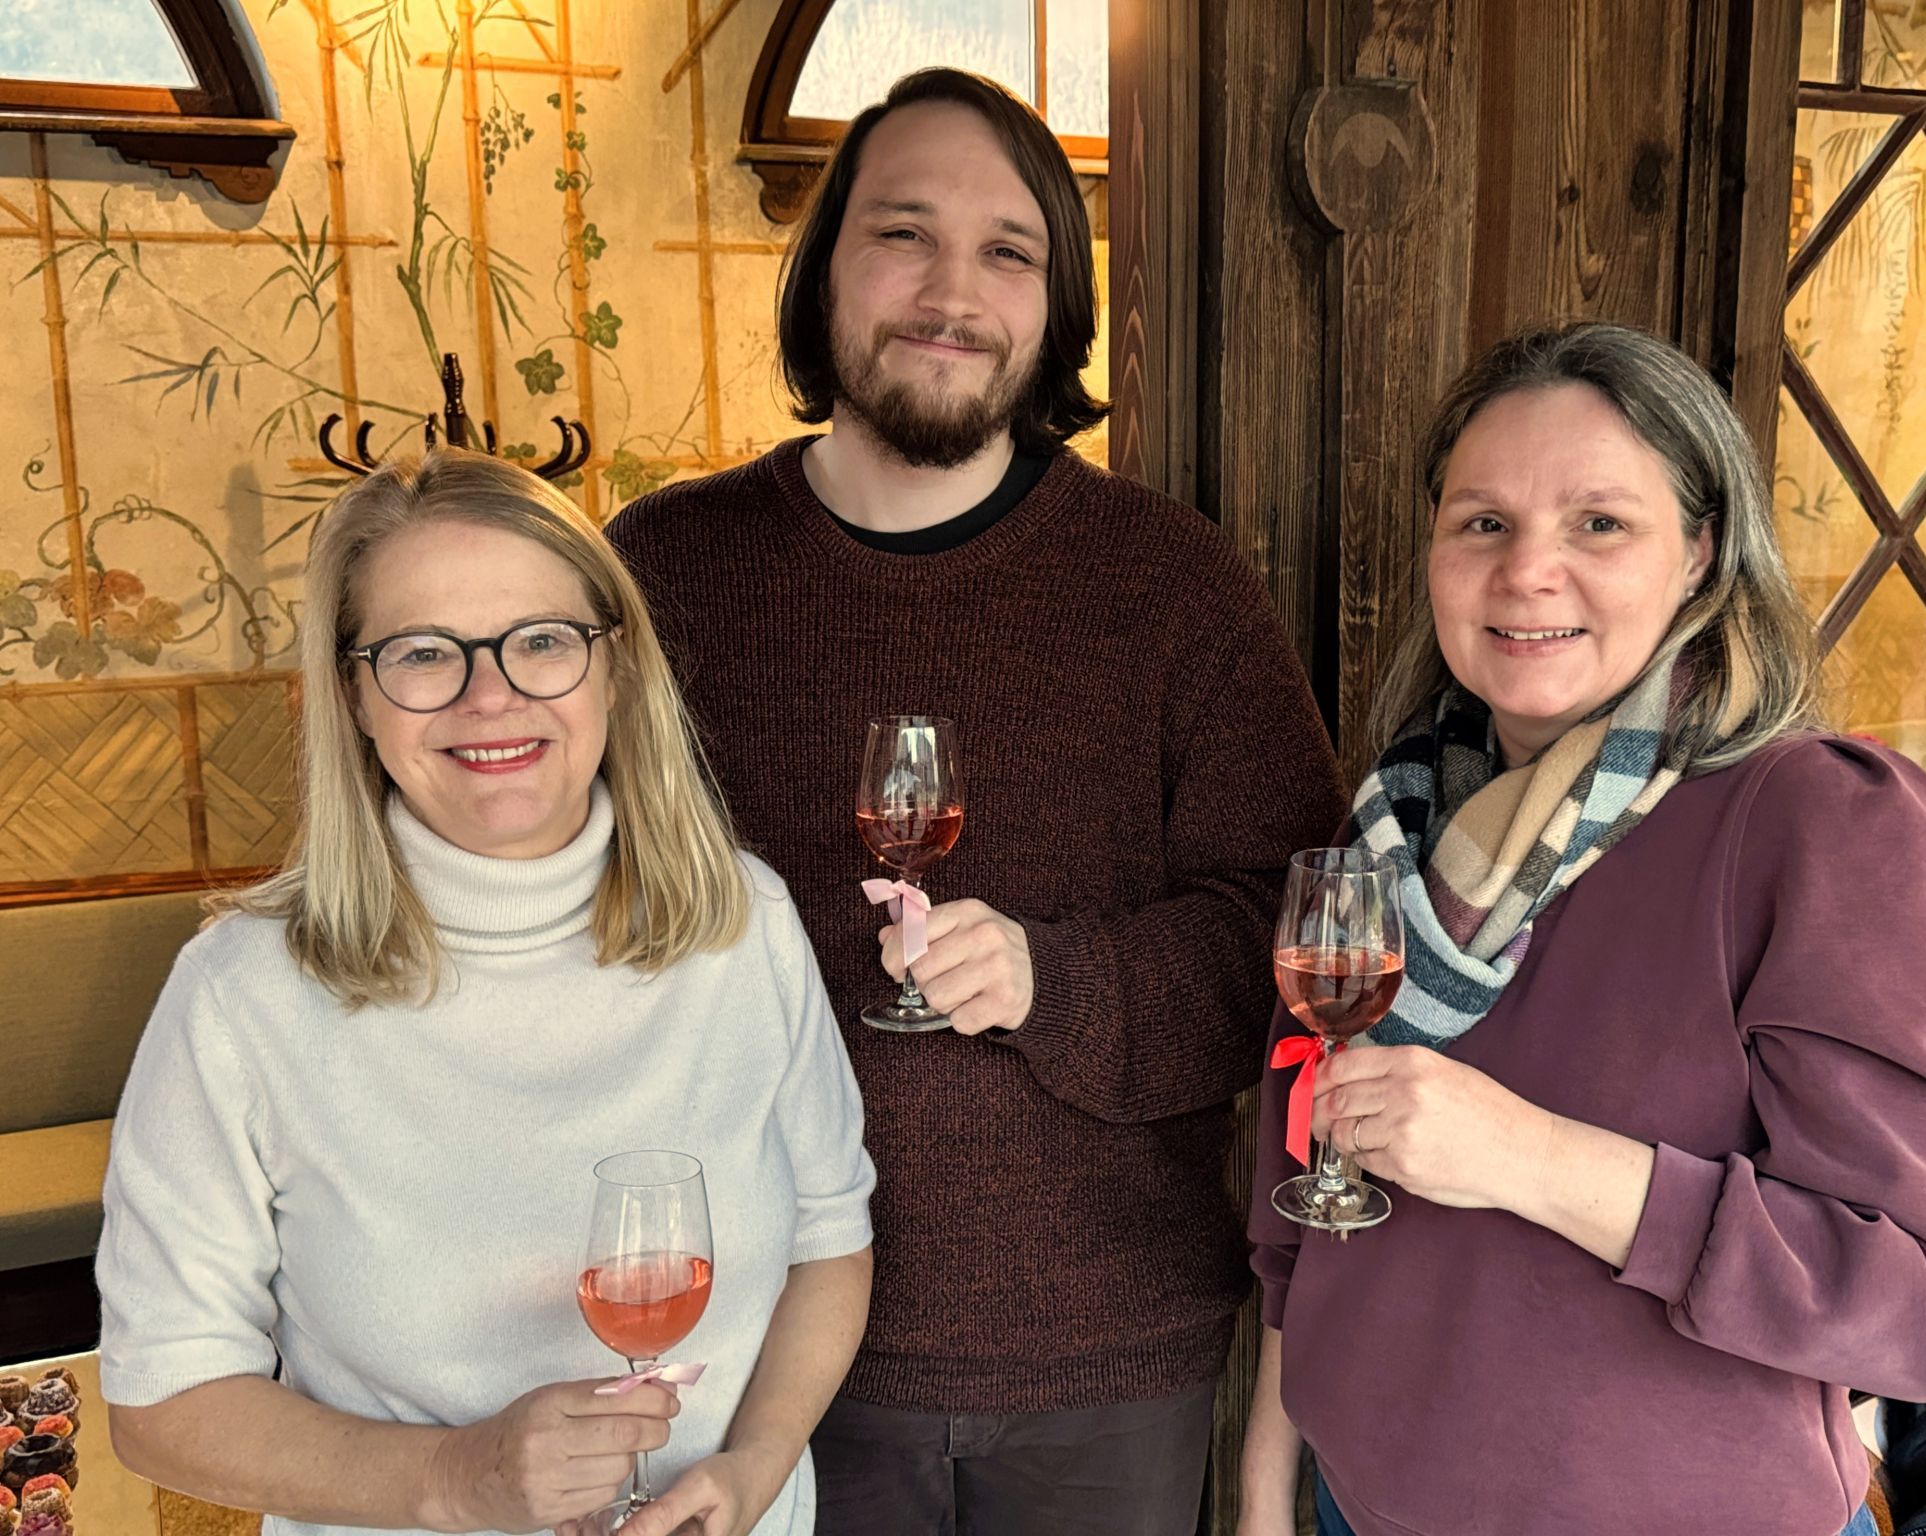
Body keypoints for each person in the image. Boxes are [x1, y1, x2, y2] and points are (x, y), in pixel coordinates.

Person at [607, 66, 1347, 1536]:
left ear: (1056, 306)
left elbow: (1297, 935)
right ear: (823, 274)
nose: (954, 291)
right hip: (763, 1351)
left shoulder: (1172, 584)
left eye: (1009, 251)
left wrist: (1054, 977)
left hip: (1105, 1350)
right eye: (903, 234)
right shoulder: (663, 571)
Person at [1236, 321, 1926, 1536]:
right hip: (1355, 1504)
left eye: (1597, 523)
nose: (1526, 571)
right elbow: (1303, 1224)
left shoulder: (1819, 824)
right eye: (1482, 522)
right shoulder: (1392, 833)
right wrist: (1261, 1498)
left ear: (1699, 555)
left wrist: (1529, 1158)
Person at [96, 450, 875, 1536]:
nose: (490, 694)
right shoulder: (243, 996)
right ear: (354, 693)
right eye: (423, 653)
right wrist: (456, 1479)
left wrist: (751, 1468)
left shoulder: (742, 922)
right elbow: (160, 1402)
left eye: (542, 640)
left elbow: (828, 1246)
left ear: (617, 669)